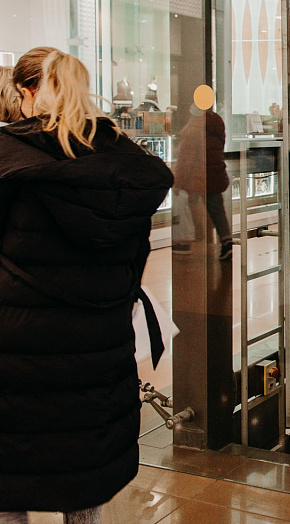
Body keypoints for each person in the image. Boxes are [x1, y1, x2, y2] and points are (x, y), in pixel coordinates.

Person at [0, 47, 173, 524]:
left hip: (19, 338)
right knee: (85, 458)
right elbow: (136, 254)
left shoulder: (10, 155)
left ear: (27, 92)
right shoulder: (124, 161)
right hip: (99, 334)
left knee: (11, 465)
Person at [174, 104, 232, 260]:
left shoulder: (193, 130)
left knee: (190, 209)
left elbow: (186, 160)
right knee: (218, 211)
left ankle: (187, 241)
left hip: (196, 177)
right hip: (215, 174)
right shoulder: (216, 123)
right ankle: (226, 242)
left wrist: (178, 182)